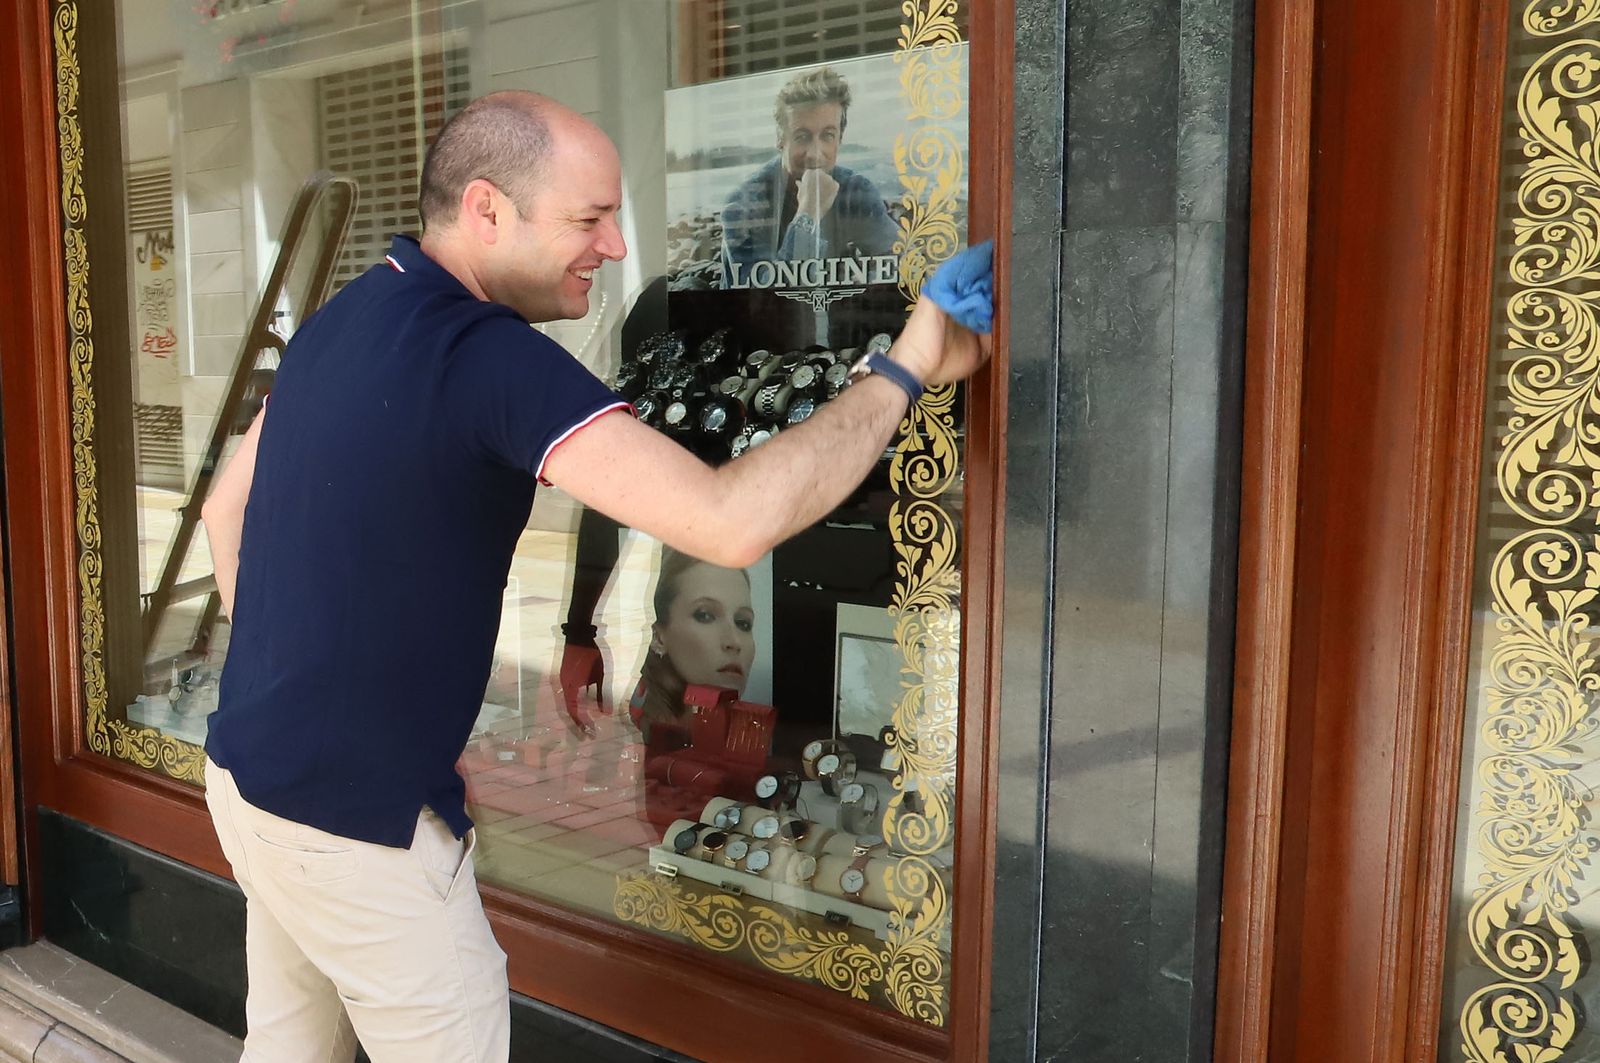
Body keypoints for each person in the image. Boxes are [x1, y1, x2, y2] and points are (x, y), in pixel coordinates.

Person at [199, 89, 990, 1063]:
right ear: (488, 209)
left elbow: (222, 509)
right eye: (589, 218)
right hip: (357, 823)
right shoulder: (492, 360)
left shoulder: (341, 316)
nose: (617, 246)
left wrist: (292, 691)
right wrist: (906, 366)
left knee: (286, 1046)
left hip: (248, 775)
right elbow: (731, 521)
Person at [718, 66, 899, 285]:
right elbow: (766, 304)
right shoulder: (743, 204)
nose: (815, 154)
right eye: (802, 137)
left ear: (840, 138)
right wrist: (808, 215)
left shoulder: (855, 191)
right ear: (780, 139)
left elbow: (904, 261)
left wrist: (862, 283)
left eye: (828, 135)